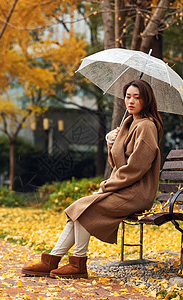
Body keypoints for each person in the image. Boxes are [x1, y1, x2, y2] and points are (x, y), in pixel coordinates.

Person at [22, 79, 163, 279]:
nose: (130, 101)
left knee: (85, 209)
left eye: (137, 97)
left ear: (146, 100)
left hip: (137, 191)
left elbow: (136, 168)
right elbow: (117, 164)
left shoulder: (146, 126)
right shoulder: (129, 123)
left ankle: (78, 263)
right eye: (128, 96)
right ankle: (52, 261)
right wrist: (110, 141)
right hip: (124, 187)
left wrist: (107, 186)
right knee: (80, 208)